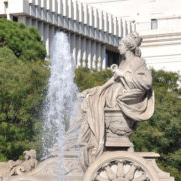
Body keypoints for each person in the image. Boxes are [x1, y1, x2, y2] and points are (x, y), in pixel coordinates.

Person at [65, 32, 154, 170]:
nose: (118, 47)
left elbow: (146, 83)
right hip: (112, 92)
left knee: (89, 104)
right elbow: (114, 80)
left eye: (120, 45)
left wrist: (122, 74)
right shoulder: (124, 62)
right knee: (85, 99)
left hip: (121, 98)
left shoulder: (138, 62)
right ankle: (73, 139)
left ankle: (82, 140)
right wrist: (99, 89)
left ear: (128, 46)